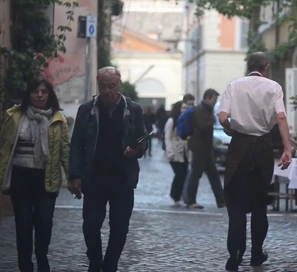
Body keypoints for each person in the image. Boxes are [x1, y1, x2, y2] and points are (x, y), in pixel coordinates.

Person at [68, 66, 148, 272]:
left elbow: (143, 139)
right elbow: (76, 144)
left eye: (111, 86)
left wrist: (136, 150)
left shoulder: (133, 109)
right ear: (98, 85)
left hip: (123, 178)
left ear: (119, 84)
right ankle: (95, 261)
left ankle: (110, 264)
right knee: (91, 225)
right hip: (94, 177)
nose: (107, 91)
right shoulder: (87, 110)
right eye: (103, 86)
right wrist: (75, 175)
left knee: (120, 227)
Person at [218, 52, 292, 272]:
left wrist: (231, 129)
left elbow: (223, 117)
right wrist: (287, 148)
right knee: (260, 204)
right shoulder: (274, 87)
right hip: (262, 147)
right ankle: (257, 253)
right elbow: (280, 117)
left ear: (248, 66)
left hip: (239, 147)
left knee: (236, 203)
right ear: (266, 67)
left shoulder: (234, 85)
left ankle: (235, 253)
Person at [0, 78, 69, 272]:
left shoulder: (57, 120)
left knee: (44, 223)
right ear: (28, 94)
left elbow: (65, 150)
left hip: (46, 179)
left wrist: (73, 178)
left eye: (44, 92)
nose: (39, 95)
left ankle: (42, 259)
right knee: (23, 224)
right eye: (35, 91)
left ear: (50, 96)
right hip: (20, 179)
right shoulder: (15, 117)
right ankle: (25, 266)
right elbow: (4, 149)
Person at [185, 89, 224, 209]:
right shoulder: (200, 110)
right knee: (196, 174)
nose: (215, 101)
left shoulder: (207, 110)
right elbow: (202, 126)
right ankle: (190, 200)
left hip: (206, 148)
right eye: (214, 99)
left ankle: (221, 201)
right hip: (199, 148)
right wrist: (212, 119)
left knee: (214, 175)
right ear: (208, 98)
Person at [164, 101, 189, 206]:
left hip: (184, 152)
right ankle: (174, 196)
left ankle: (180, 196)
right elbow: (167, 137)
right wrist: (169, 152)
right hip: (174, 151)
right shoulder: (171, 121)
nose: (184, 110)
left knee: (184, 174)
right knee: (179, 174)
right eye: (183, 107)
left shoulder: (186, 121)